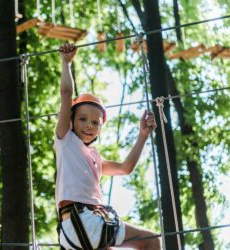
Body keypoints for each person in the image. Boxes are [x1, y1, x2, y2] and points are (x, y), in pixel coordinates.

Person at [55, 44, 161, 250]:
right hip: (83, 222)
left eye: (95, 123)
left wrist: (142, 135)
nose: (89, 125)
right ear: (71, 120)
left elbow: (124, 168)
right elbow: (66, 95)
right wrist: (66, 63)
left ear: (100, 129)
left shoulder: (94, 157)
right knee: (151, 241)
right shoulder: (65, 141)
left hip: (81, 229)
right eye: (83, 119)